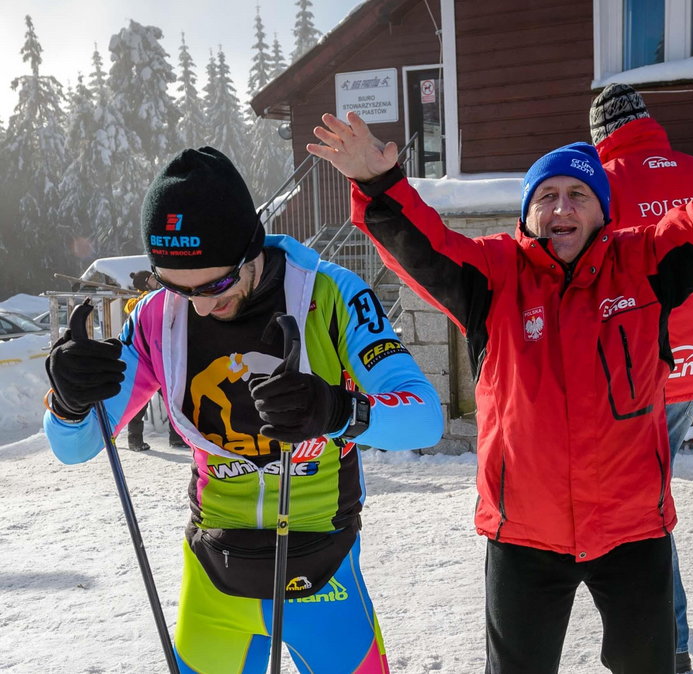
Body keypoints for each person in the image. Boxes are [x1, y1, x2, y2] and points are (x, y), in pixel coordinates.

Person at [309, 108, 693, 673]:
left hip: (631, 528)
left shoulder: (646, 263)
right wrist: (377, 182)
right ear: (528, 213)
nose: (562, 207)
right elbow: (423, 245)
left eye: (579, 194)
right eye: (548, 196)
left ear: (603, 211)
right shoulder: (493, 273)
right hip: (524, 536)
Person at [43, 147, 443, 673]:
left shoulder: (332, 294)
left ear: (251, 247)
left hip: (321, 573)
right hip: (215, 579)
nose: (201, 305)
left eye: (216, 284)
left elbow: (425, 417)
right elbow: (75, 449)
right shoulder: (156, 320)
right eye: (175, 286)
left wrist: (336, 409)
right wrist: (71, 403)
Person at [589, 82, 693, 672]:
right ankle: (663, 637)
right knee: (646, 498)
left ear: (601, 133)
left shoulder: (595, 183)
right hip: (688, 368)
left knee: (640, 510)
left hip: (622, 378)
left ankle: (670, 642)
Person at [123, 270, 185, 451]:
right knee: (139, 403)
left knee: (172, 399)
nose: (155, 280)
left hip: (163, 358)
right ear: (145, 284)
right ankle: (134, 440)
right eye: (151, 278)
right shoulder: (141, 301)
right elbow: (132, 307)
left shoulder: (165, 297)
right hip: (144, 360)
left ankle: (177, 438)